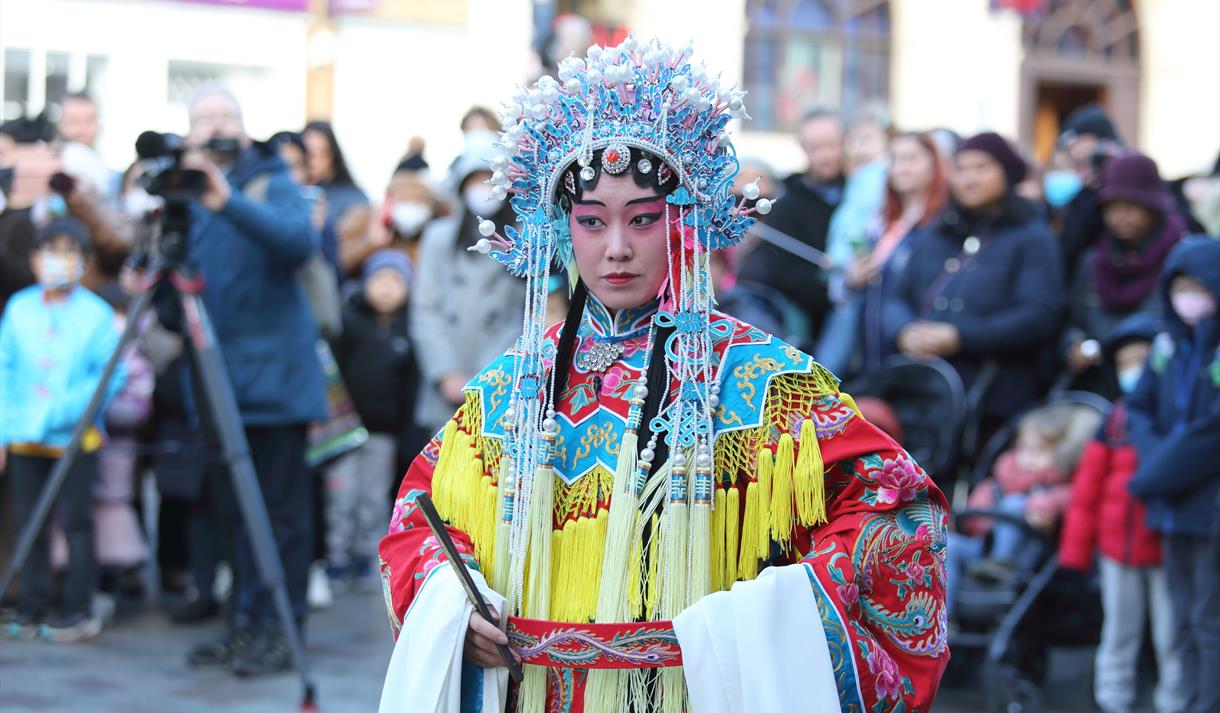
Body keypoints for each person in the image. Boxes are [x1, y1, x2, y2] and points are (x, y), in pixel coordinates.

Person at [379, 37, 948, 713]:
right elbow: (418, 517)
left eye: (642, 219)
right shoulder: (507, 390)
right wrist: (451, 598)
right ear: (563, 231)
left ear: (682, 222)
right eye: (592, 221)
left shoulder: (764, 381)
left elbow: (900, 512)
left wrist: (767, 620)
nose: (616, 247)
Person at [177, 86, 327, 677]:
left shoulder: (271, 180)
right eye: (203, 118)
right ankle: (243, 626)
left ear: (242, 129)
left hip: (275, 384)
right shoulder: (183, 197)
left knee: (281, 519)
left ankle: (282, 630)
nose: (216, 126)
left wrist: (225, 200)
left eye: (226, 116)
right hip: (217, 385)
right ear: (188, 134)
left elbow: (298, 243)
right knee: (233, 519)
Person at [882, 131, 1066, 434]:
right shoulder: (937, 233)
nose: (970, 179)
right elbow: (894, 296)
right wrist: (904, 330)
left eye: (982, 168)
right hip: (923, 390)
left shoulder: (1033, 238)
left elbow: (1039, 314)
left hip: (994, 394)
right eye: (962, 169)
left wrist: (960, 336)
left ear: (1005, 173)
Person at [0, 218, 123, 642]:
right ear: (34, 259)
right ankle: (30, 605)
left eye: (68, 253)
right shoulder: (20, 308)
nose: (57, 262)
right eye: (50, 252)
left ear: (85, 262)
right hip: (23, 439)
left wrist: (59, 415)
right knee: (28, 523)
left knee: (76, 524)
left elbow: (108, 376)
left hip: (74, 440)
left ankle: (77, 607)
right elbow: (5, 369)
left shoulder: (97, 314)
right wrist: (6, 428)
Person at [1059, 314, 1186, 713]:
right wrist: (1075, 555)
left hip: (1166, 549)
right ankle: (1113, 699)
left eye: (1143, 361)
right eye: (1125, 362)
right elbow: (1086, 494)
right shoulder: (1112, 422)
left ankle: (1177, 701)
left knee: (1173, 636)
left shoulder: (1175, 418)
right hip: (1117, 551)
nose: (1134, 371)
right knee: (1119, 631)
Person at [1126, 235, 1220, 713]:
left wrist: (1154, 473)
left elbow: (1210, 432)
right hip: (1172, 502)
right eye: (1179, 286)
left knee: (1209, 618)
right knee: (1182, 616)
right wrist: (1157, 459)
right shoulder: (1169, 345)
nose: (1188, 296)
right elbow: (1139, 408)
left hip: (1207, 508)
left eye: (1198, 286)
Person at [409, 131, 525, 437]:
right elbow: (425, 308)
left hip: (500, 382)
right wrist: (446, 372)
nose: (484, 189)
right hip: (445, 385)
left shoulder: (524, 238)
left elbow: (527, 314)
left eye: (491, 179)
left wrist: (487, 377)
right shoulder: (439, 237)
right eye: (476, 180)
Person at [324, 250, 420, 589]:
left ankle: (367, 556)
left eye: (395, 282)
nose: (386, 289)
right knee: (341, 496)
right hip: (346, 431)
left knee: (373, 498)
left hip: (383, 433)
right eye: (378, 280)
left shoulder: (409, 330)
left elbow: (410, 387)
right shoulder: (348, 322)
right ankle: (336, 556)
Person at [1063, 151, 1188, 395]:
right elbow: (1073, 321)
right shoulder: (1093, 261)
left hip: (1163, 386)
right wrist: (1074, 345)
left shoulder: (1179, 258)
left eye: (1131, 207)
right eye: (1112, 208)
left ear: (1153, 208)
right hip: (1097, 386)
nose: (1121, 217)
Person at [947, 403, 1099, 603]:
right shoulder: (998, 483)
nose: (1029, 459)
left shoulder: (1057, 488)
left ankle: (1000, 563)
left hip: (1021, 560)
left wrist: (1041, 507)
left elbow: (1064, 498)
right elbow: (975, 510)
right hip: (982, 547)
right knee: (949, 545)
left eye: (1040, 452)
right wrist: (969, 520)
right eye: (1024, 450)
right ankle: (943, 616)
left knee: (1015, 503)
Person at [839, 131, 950, 375]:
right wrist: (853, 278)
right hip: (869, 345)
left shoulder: (943, 224)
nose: (901, 168)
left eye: (911, 159)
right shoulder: (880, 223)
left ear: (934, 165)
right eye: (896, 159)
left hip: (910, 348)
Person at [736, 108, 846, 343]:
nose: (825, 155)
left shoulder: (858, 193)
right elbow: (781, 270)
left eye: (831, 144)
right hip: (788, 315)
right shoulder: (789, 201)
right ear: (804, 148)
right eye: (816, 148)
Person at [1057, 105, 1124, 273]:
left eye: (1092, 160)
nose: (1085, 171)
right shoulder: (1078, 202)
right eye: (1077, 163)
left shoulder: (1137, 192)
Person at [302, 120, 369, 272]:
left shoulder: (353, 198)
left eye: (319, 153)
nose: (312, 161)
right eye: (307, 153)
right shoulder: (293, 192)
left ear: (332, 155)